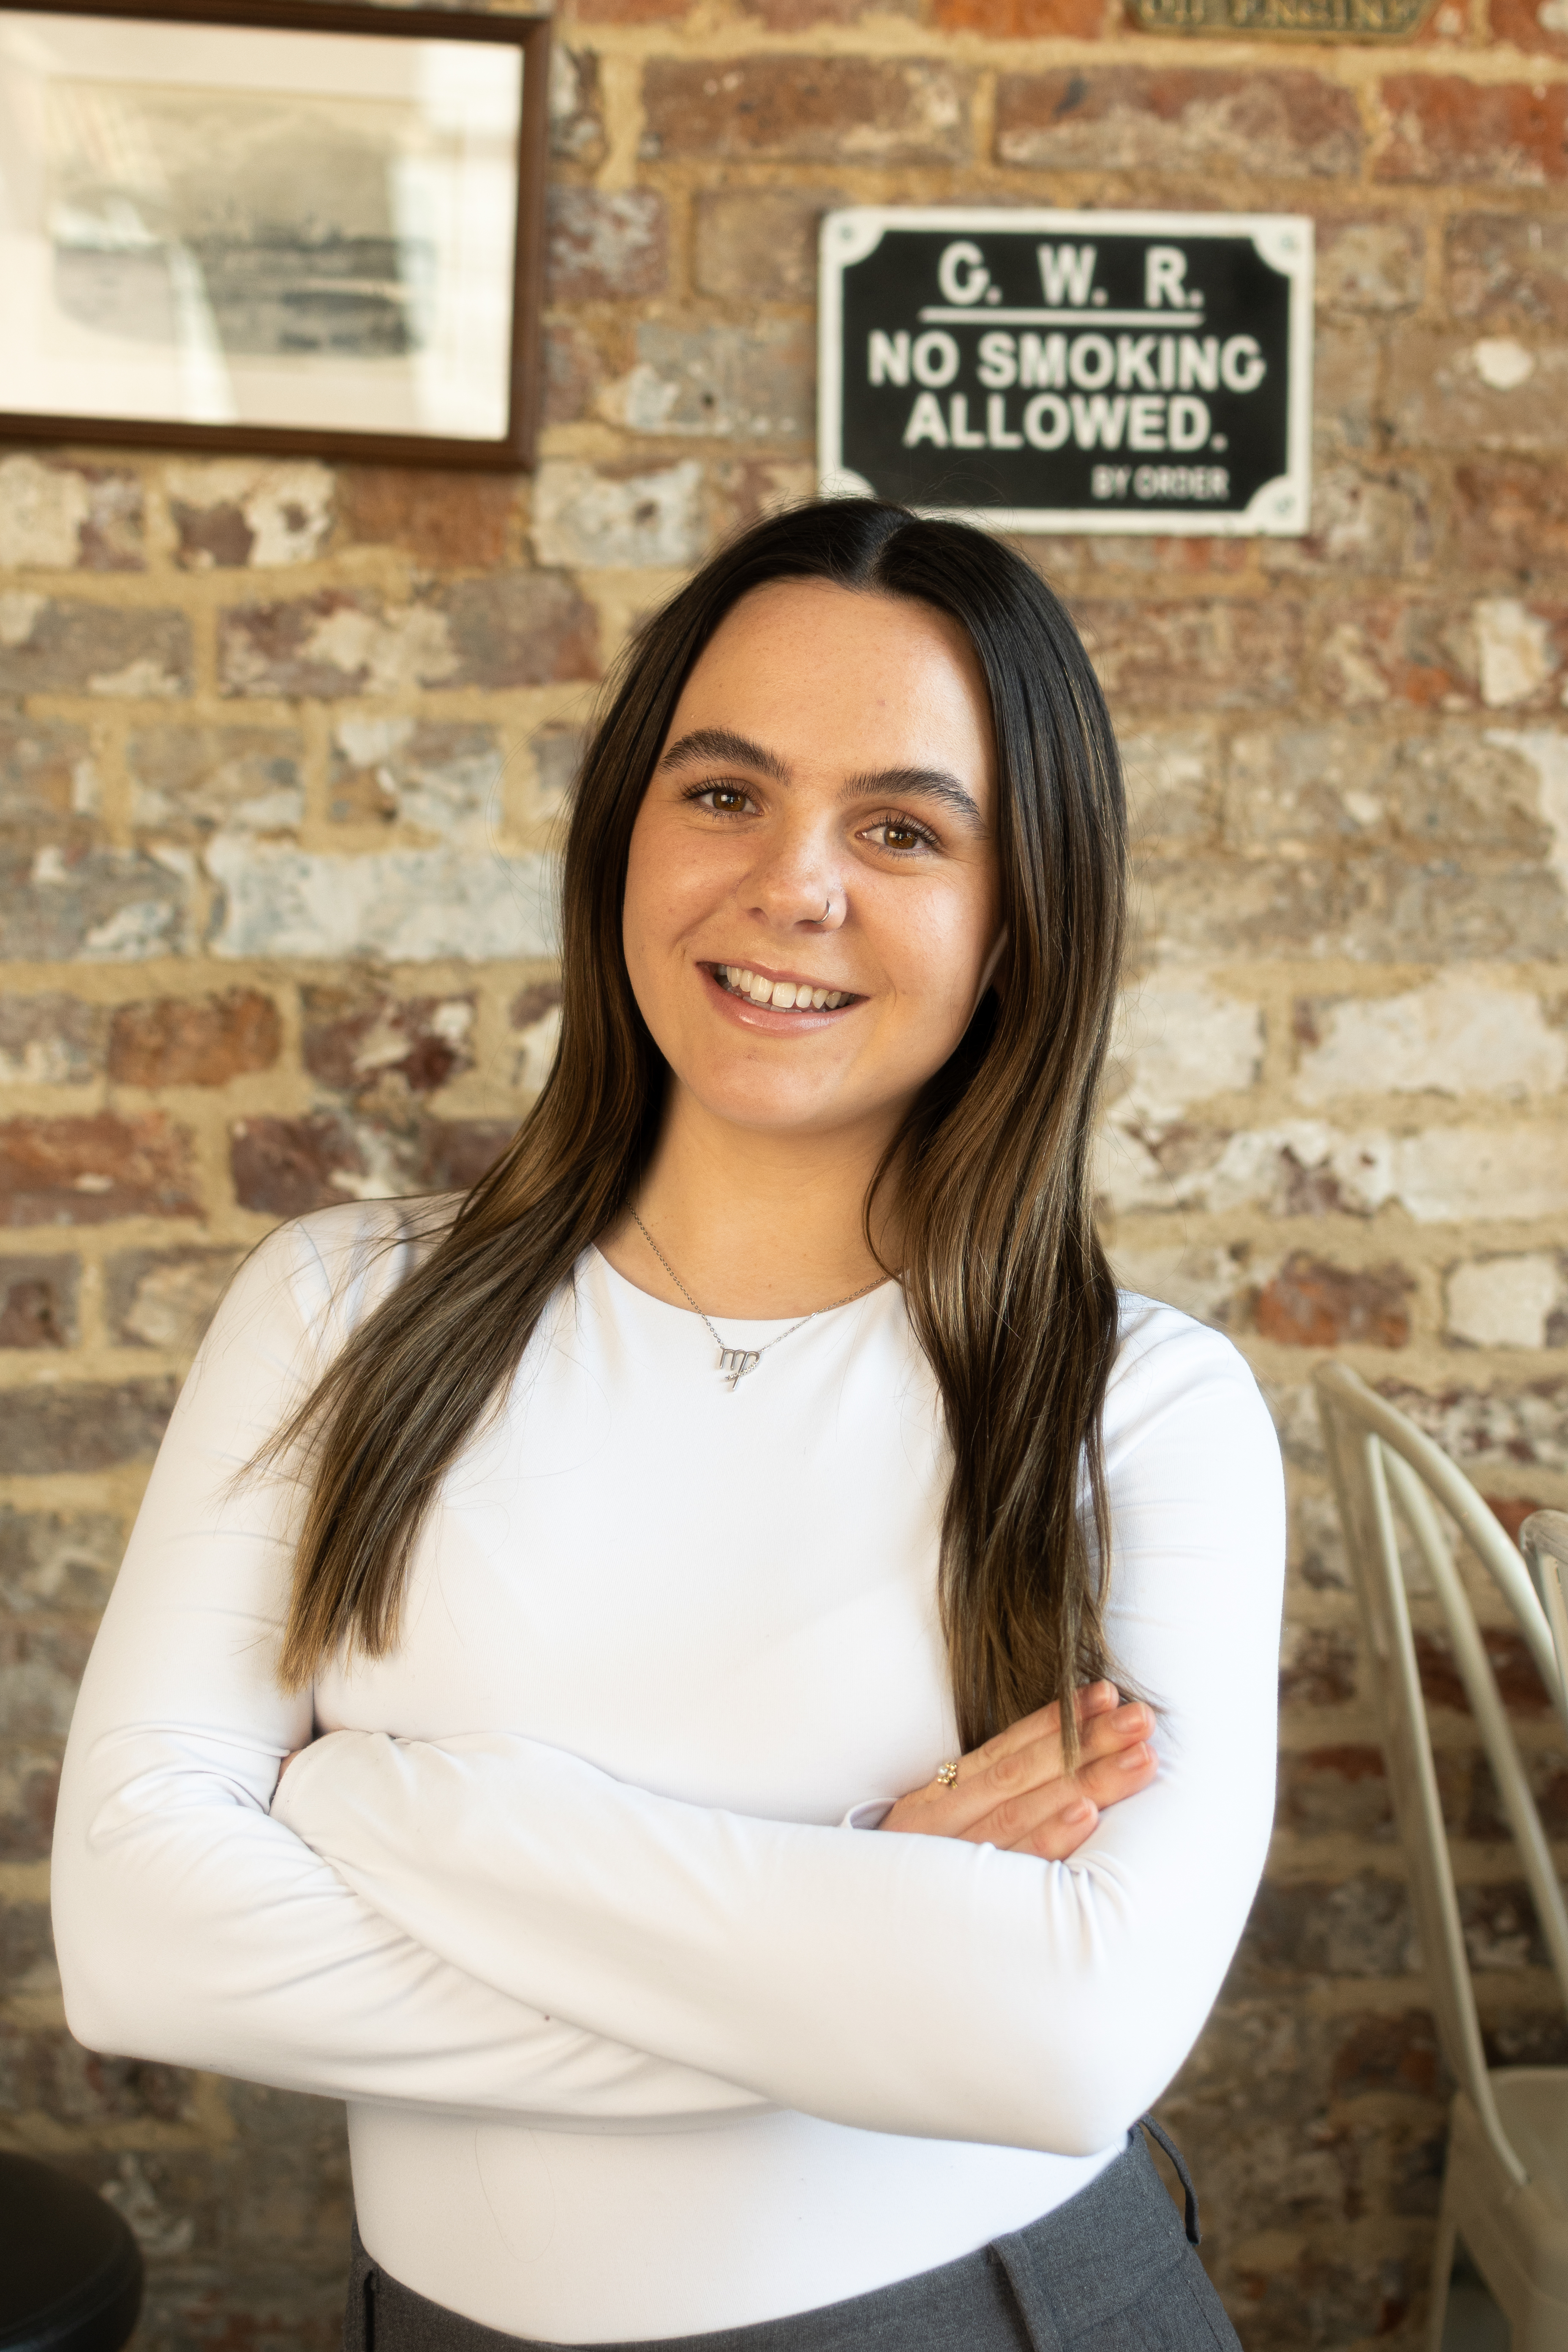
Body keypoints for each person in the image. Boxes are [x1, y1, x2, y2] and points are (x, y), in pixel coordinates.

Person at [53, 499, 1284, 2352]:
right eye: (723, 793)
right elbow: (144, 1940)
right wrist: (878, 1931)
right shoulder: (340, 1310)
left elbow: (1066, 2042)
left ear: (1024, 911)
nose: (793, 885)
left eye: (900, 828)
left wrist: (414, 1812)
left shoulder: (1144, 1410)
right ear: (625, 829)